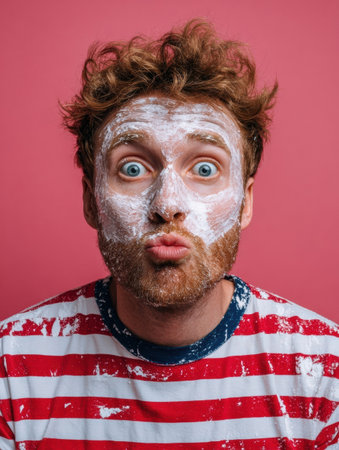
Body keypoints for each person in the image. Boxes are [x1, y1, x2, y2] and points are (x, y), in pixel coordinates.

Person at [0, 20, 338, 449]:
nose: (167, 205)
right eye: (133, 168)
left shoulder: (325, 375)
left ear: (246, 202)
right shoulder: (12, 371)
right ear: (92, 201)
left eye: (204, 168)